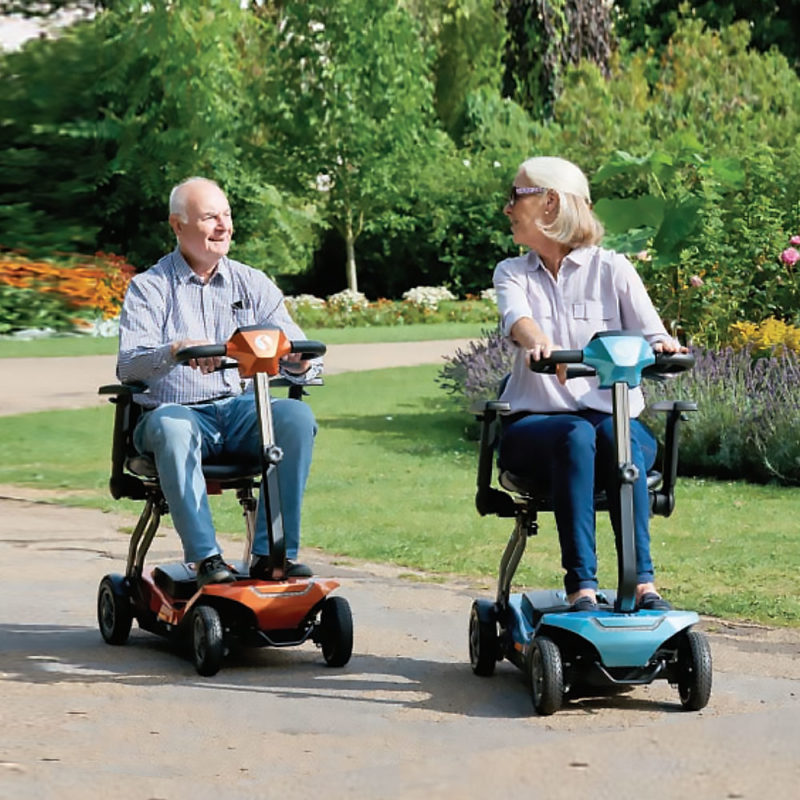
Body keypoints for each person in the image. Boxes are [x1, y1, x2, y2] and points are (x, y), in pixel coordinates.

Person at [493, 156, 686, 612]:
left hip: (610, 420)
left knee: (616, 438)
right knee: (575, 434)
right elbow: (516, 317)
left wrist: (665, 347)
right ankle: (582, 587)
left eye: (515, 196)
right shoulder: (512, 272)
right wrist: (538, 342)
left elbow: (652, 331)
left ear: (551, 203)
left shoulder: (613, 270)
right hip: (533, 425)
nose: (507, 209)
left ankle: (642, 583)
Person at [117, 176, 321, 586]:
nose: (224, 226)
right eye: (210, 217)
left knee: (296, 417)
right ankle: (206, 558)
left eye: (226, 215)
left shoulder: (253, 283)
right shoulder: (150, 288)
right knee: (174, 427)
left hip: (239, 410)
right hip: (174, 414)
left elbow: (302, 360)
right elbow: (129, 368)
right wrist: (174, 351)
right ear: (178, 226)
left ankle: (272, 555)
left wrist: (297, 362)